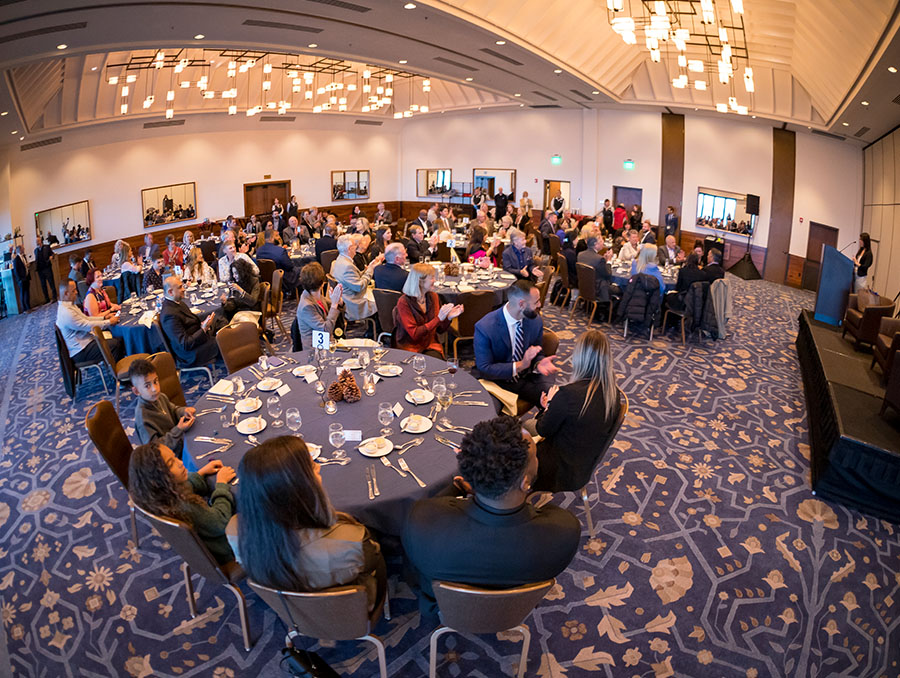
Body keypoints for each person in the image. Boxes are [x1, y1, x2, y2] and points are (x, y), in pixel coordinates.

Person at [402, 415, 580, 613]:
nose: (538, 460)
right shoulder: (564, 531)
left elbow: (413, 572)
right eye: (536, 457)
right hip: (514, 611)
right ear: (525, 483)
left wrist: (457, 490)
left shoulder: (422, 521)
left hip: (448, 610)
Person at [227, 436, 385, 611]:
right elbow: (371, 562)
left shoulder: (234, 529)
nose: (318, 467)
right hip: (345, 611)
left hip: (288, 609)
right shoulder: (350, 541)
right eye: (312, 466)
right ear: (299, 487)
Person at [524, 330, 622, 492]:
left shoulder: (567, 395)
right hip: (582, 467)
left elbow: (543, 429)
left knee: (524, 429)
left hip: (556, 470)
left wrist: (549, 405)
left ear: (580, 358)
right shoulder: (612, 393)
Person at [129, 441, 236, 565]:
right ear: (159, 480)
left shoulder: (162, 497)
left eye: (174, 457)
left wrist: (200, 474)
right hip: (226, 550)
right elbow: (221, 522)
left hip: (203, 549)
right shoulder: (185, 505)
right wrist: (221, 484)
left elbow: (185, 487)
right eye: (171, 463)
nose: (180, 463)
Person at [474, 280, 558, 410]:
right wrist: (520, 365)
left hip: (525, 377)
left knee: (555, 402)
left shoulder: (535, 320)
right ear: (521, 304)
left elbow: (537, 352)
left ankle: (538, 427)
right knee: (488, 413)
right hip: (496, 381)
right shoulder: (485, 327)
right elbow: (485, 368)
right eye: (536, 302)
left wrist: (539, 362)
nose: (540, 305)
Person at [129, 358, 196, 460]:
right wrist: (178, 430)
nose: (155, 388)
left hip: (180, 442)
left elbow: (173, 410)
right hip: (171, 458)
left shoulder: (160, 397)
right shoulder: (143, 418)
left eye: (155, 381)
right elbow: (155, 449)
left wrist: (183, 411)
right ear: (136, 391)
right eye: (147, 385)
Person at [395, 263, 463, 357]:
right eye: (431, 278)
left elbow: (439, 330)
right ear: (420, 282)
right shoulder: (404, 302)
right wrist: (439, 318)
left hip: (430, 344)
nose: (434, 280)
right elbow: (414, 334)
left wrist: (448, 318)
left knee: (438, 366)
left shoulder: (433, 297)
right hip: (410, 347)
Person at [56, 280, 124, 363]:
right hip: (81, 350)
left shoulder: (69, 306)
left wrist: (104, 318)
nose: (77, 292)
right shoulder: (66, 313)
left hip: (85, 343)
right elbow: (87, 325)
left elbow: (86, 319)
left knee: (117, 340)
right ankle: (116, 373)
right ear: (66, 293)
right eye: (73, 291)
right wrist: (109, 322)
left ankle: (117, 368)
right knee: (116, 344)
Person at [159, 275, 219, 368]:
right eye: (180, 287)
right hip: (190, 354)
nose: (183, 289)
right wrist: (203, 329)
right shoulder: (169, 314)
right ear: (170, 292)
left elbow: (191, 322)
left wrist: (203, 325)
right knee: (224, 340)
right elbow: (185, 344)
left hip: (196, 337)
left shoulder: (178, 302)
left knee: (219, 320)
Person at [330, 235, 382, 323]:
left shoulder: (340, 259)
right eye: (355, 245)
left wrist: (368, 268)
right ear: (350, 248)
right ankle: (372, 331)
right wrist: (370, 270)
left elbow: (353, 278)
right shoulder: (347, 266)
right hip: (353, 303)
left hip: (347, 296)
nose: (357, 247)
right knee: (381, 301)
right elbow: (359, 287)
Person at [295, 262, 343, 349]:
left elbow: (334, 306)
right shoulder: (306, 306)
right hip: (316, 351)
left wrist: (339, 302)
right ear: (322, 284)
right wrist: (334, 305)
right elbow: (325, 330)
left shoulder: (315, 296)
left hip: (327, 343)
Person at [34, 237, 56, 302]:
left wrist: (51, 257)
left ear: (41, 241)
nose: (37, 242)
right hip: (40, 270)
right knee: (43, 285)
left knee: (51, 282)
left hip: (47, 268)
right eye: (36, 241)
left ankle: (54, 297)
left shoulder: (47, 247)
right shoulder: (35, 250)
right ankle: (47, 299)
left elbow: (52, 254)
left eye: (38, 241)